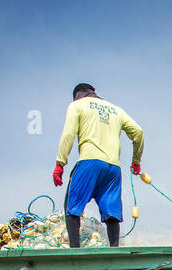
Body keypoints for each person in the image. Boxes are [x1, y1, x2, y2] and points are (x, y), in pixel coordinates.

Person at [53, 83, 145, 248]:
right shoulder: (116, 110)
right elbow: (138, 132)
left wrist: (60, 163)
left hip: (89, 162)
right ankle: (114, 249)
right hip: (113, 169)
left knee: (72, 207)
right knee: (111, 212)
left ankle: (74, 251)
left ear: (77, 95)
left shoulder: (77, 105)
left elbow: (68, 134)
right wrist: (136, 161)